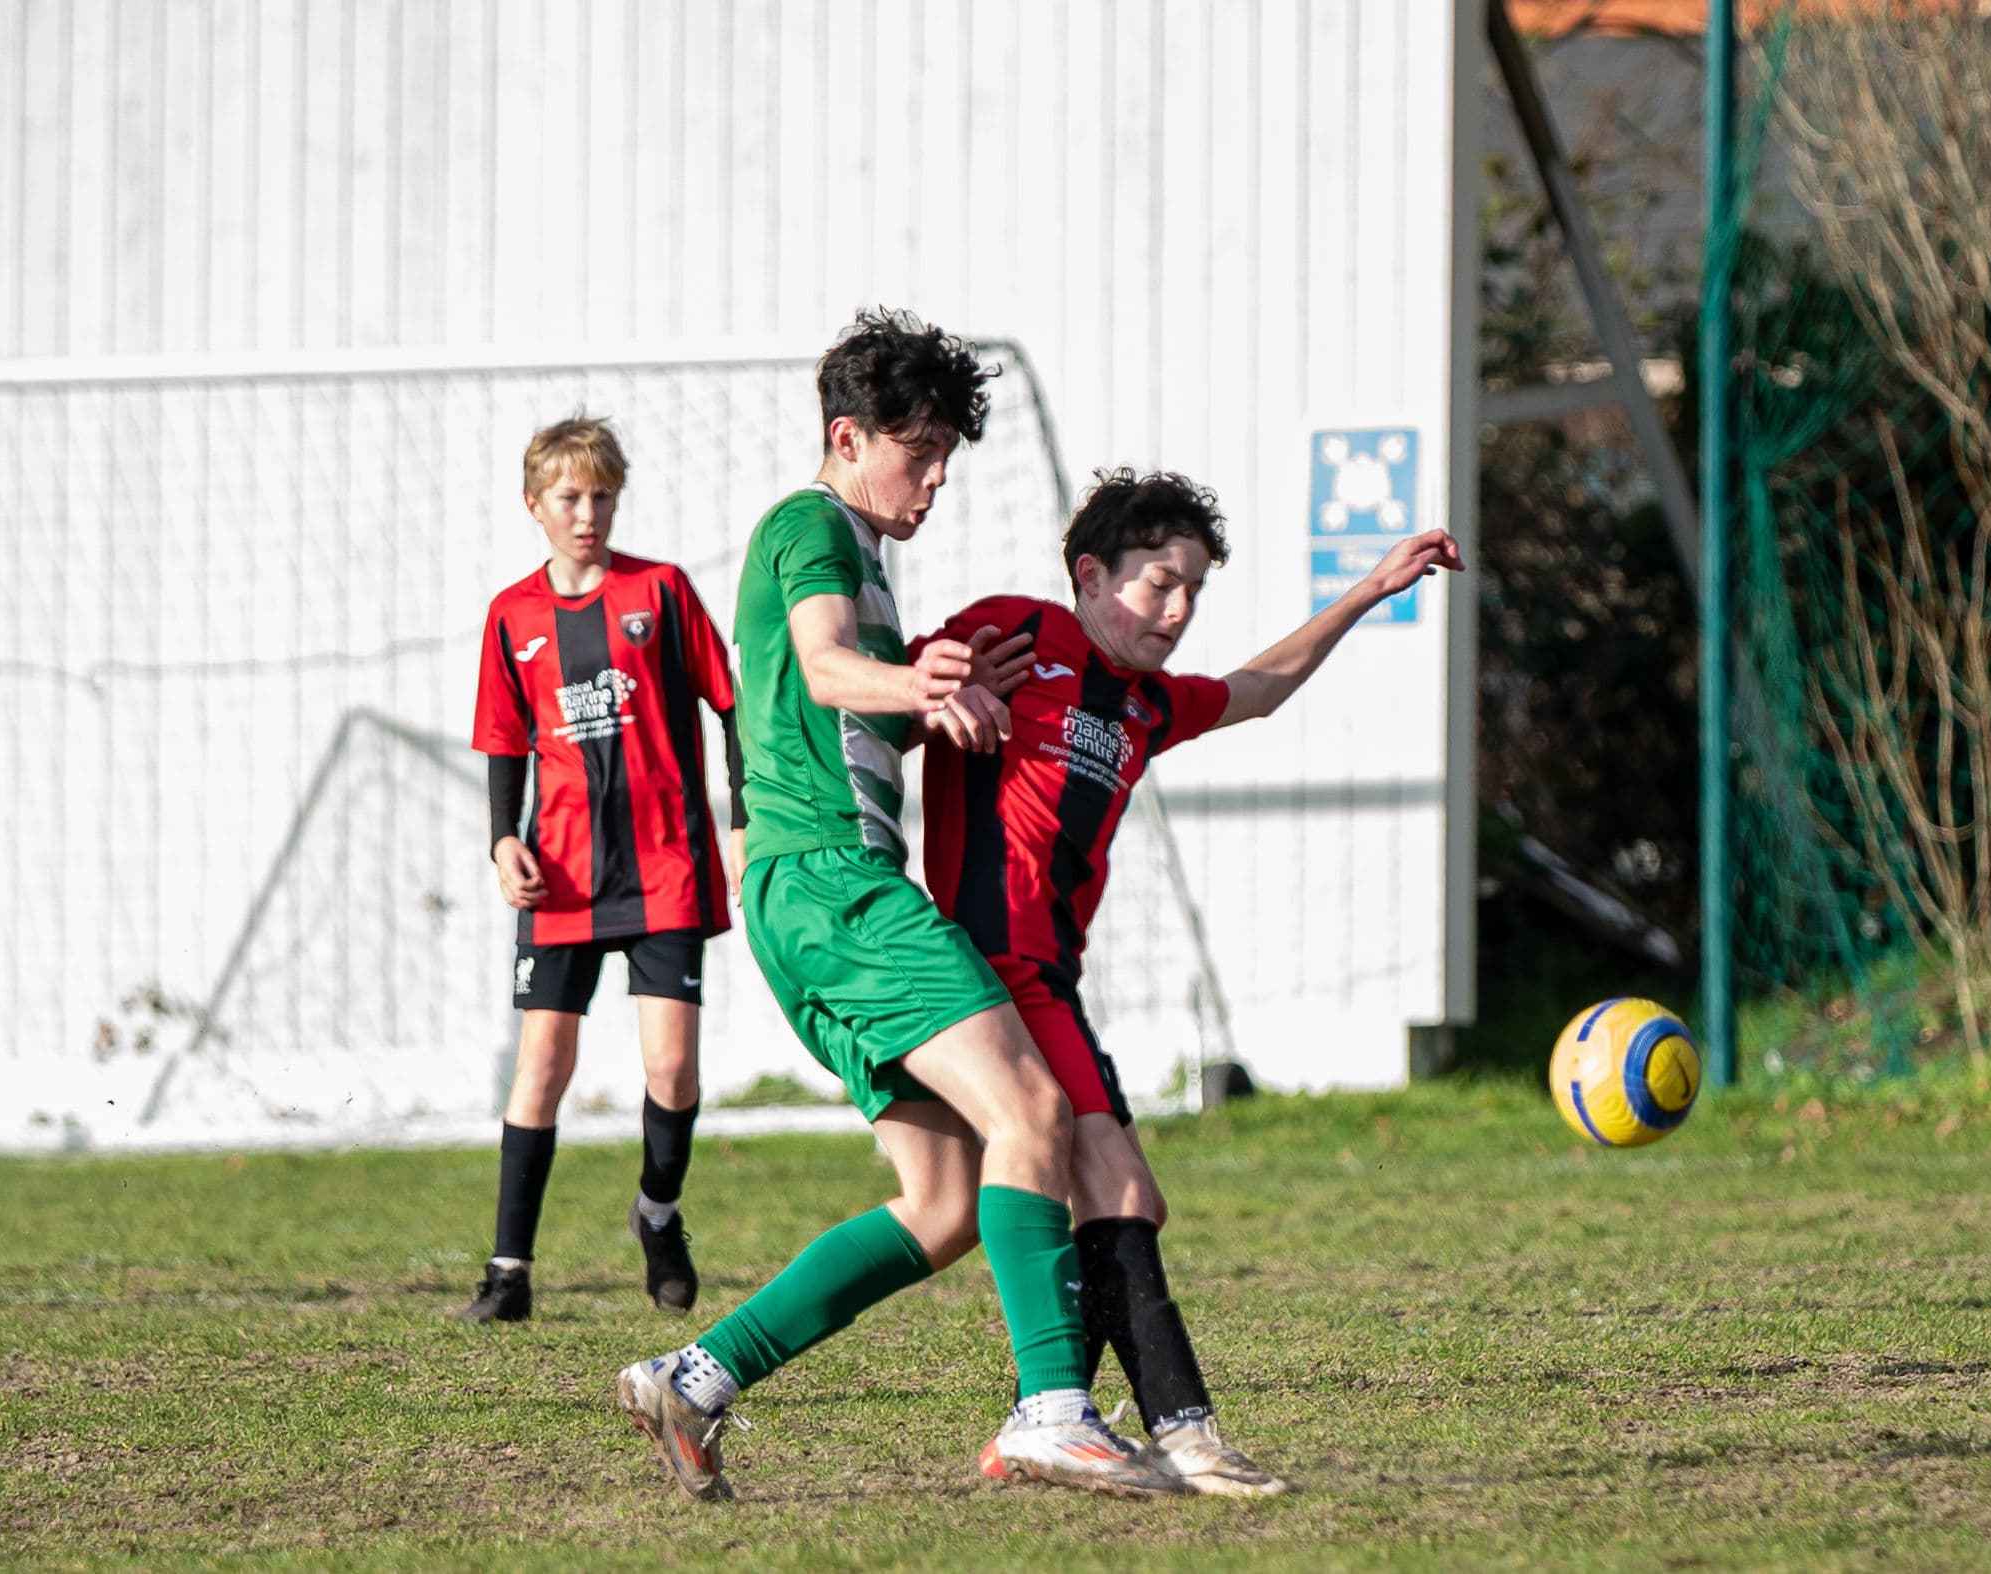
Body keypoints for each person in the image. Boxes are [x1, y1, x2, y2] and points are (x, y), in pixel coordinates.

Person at [614, 310, 1181, 1502]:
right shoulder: (811, 524)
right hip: (835, 883)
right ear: (847, 437)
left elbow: (831, 705)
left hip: (809, 896)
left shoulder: (864, 554)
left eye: (945, 458)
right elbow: (826, 664)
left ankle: (697, 1376)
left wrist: (934, 701)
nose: (934, 480)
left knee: (945, 1199)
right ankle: (1052, 1410)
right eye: (918, 454)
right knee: (1033, 1104)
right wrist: (916, 680)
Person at [918, 468, 1464, 1495]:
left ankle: (1040, 1420)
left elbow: (1258, 688)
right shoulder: (1020, 632)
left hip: (1050, 977)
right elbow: (896, 691)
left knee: (1121, 1199)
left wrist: (1367, 590)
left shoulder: (1144, 703)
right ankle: (1183, 1433)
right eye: (1160, 583)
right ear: (1091, 574)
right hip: (995, 967)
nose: (1177, 611)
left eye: (1194, 592)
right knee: (1120, 1190)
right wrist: (942, 688)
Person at [463, 415, 742, 1324]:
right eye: (570, 497)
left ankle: (658, 1215)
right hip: (564, 875)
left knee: (673, 1068)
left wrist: (744, 822)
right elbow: (504, 739)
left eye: (603, 496)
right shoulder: (513, 615)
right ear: (534, 504)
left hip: (665, 866)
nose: (588, 514)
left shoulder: (660, 591)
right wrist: (502, 840)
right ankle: (508, 1274)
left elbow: (731, 704)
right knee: (541, 1063)